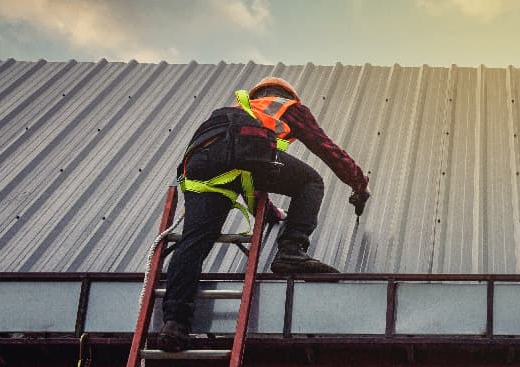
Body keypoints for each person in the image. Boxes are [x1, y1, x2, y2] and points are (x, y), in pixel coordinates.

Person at [158, 76, 370, 352]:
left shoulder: (235, 113)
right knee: (311, 181)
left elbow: (247, 175)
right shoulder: (286, 106)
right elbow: (325, 147)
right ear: (287, 94)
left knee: (193, 243)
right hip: (240, 160)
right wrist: (358, 183)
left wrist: (269, 212)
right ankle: (291, 251)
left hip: (201, 170)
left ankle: (174, 324)